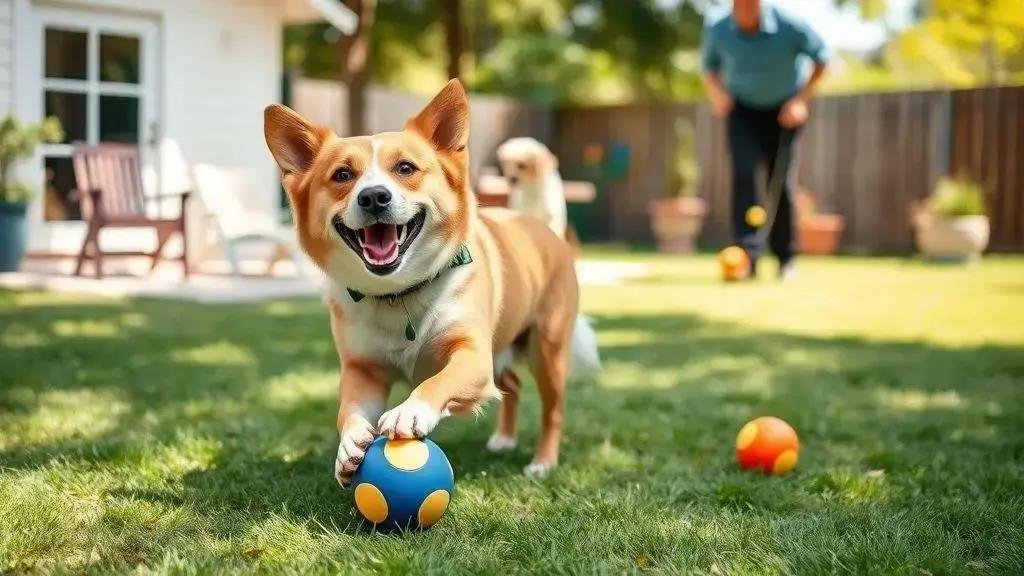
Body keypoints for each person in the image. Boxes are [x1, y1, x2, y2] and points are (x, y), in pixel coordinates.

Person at [701, 0, 829, 280]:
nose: (745, 10)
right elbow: (709, 68)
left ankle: (785, 258)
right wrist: (718, 94)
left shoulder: (790, 26)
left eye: (751, 4)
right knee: (743, 176)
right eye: (739, 4)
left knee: (780, 182)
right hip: (742, 110)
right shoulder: (719, 29)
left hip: (783, 111)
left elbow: (822, 58)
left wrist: (800, 100)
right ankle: (747, 258)